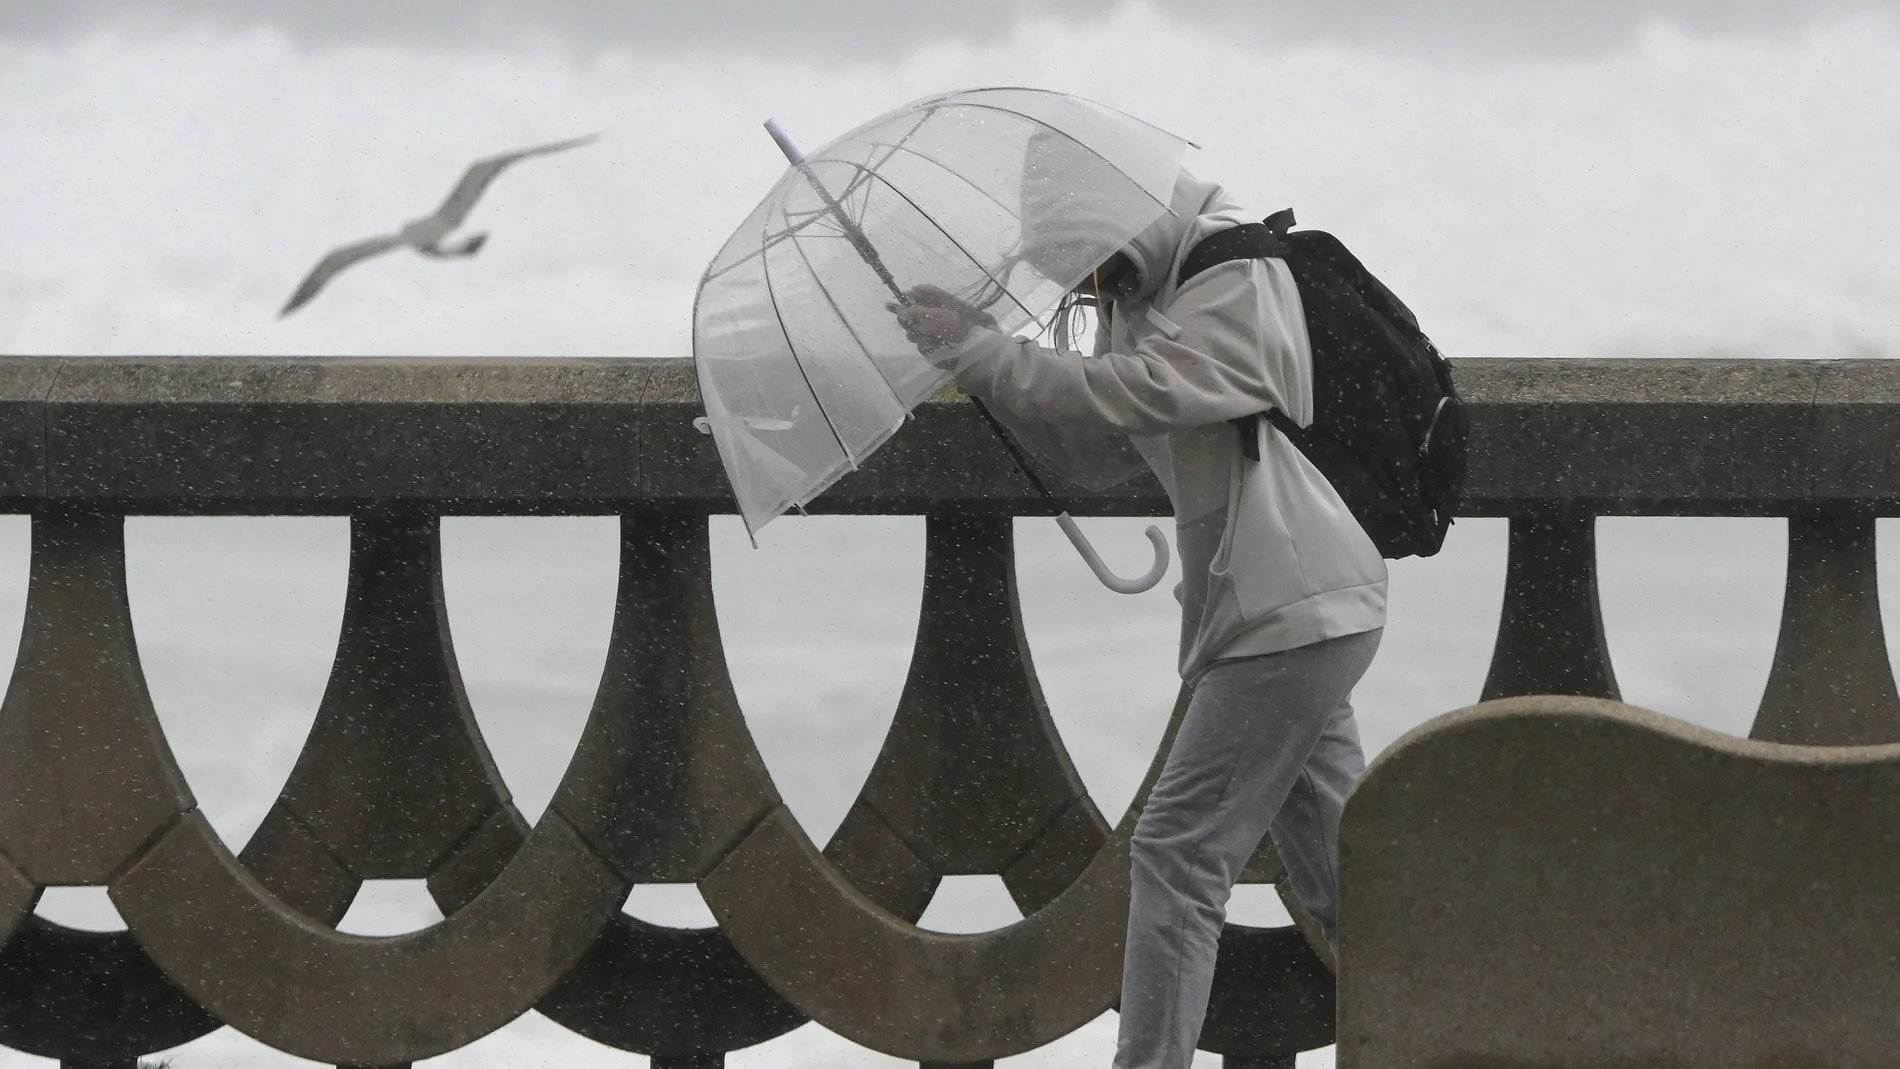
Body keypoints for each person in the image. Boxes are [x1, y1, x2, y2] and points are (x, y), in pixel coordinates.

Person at [889, 144, 1387, 1069]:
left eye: (1083, 257)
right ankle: (1468, 1028)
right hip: (1290, 606)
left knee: (1178, 852)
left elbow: (1143, 393)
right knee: (1350, 891)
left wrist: (992, 356)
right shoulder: (1146, 297)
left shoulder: (1235, 269)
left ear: (1117, 221)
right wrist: (983, 343)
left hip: (1292, 605)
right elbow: (1103, 437)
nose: (1084, 282)